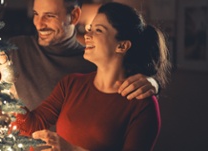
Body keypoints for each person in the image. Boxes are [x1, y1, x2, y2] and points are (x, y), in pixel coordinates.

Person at [13, 2, 171, 150]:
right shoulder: (71, 83)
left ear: (122, 46)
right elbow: (31, 125)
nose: (88, 35)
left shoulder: (142, 105)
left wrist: (72, 149)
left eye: (98, 30)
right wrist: (5, 84)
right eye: (90, 28)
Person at [0, 0, 160, 111]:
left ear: (74, 16)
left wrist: (153, 83)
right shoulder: (14, 49)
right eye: (36, 14)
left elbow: (133, 87)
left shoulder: (93, 61)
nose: (39, 23)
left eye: (50, 16)